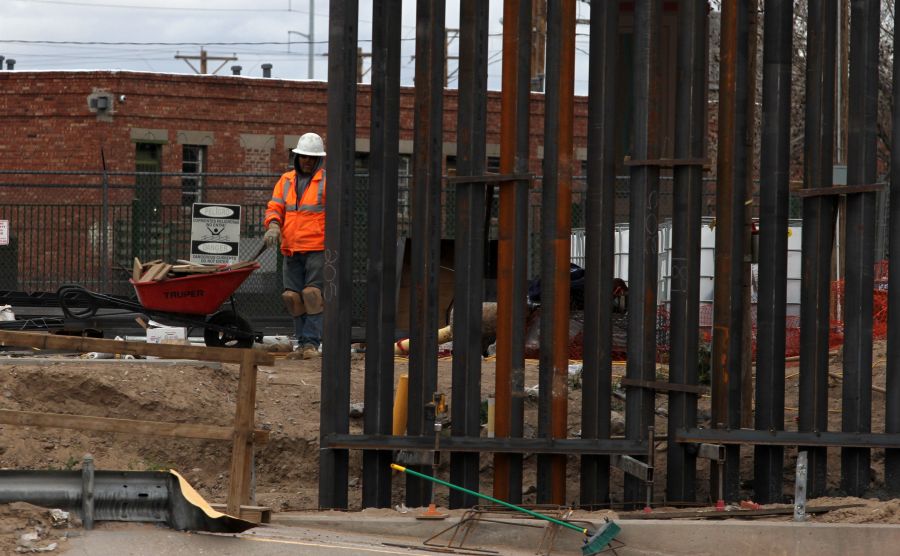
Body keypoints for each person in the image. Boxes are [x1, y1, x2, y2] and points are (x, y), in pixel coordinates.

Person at [264, 132, 327, 360]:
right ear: (297, 157)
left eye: (312, 158)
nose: (307, 161)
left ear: (318, 159)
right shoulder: (286, 181)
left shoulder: (326, 182)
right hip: (291, 247)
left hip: (317, 247)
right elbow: (275, 207)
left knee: (312, 295)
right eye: (304, 157)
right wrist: (273, 225)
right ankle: (301, 342)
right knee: (292, 297)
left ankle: (311, 343)